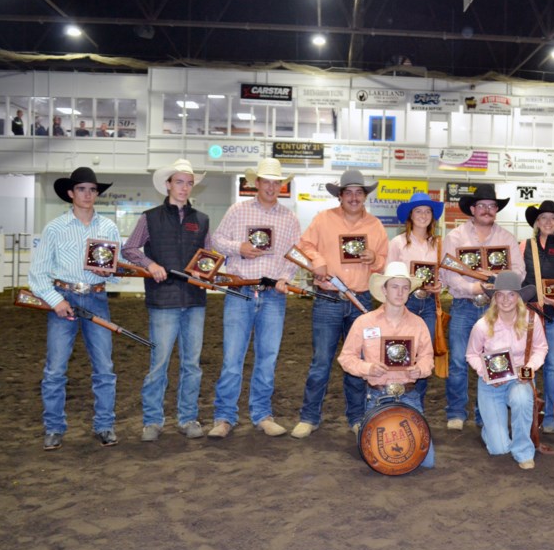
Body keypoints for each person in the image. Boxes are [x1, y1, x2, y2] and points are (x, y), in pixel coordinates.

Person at [28, 167, 121, 450]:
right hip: (63, 298)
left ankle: (104, 425)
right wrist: (56, 301)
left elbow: (111, 269)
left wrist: (109, 274)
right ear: (70, 193)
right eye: (82, 189)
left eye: (92, 190)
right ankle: (54, 428)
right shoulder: (54, 228)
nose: (88, 194)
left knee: (104, 367)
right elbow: (37, 273)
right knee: (55, 369)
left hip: (96, 297)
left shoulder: (109, 228)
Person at [207, 158, 301, 439]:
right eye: (266, 181)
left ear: (280, 185)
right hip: (240, 291)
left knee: (267, 358)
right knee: (232, 358)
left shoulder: (290, 219)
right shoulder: (237, 211)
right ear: (256, 183)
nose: (271, 187)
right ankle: (224, 417)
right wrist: (240, 248)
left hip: (273, 295)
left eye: (276, 182)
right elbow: (217, 240)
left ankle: (262, 414)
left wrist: (284, 278)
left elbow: (293, 256)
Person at [291, 170, 389, 439]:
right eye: (349, 192)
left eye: (360, 192)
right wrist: (317, 261)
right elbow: (304, 245)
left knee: (358, 363)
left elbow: (384, 258)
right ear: (341, 196)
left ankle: (357, 417)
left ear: (365, 196)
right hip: (328, 299)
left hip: (362, 300)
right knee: (321, 361)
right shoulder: (323, 220)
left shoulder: (376, 226)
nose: (354, 197)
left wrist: (374, 259)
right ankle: (309, 417)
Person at [122, 159, 210, 441]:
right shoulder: (150, 218)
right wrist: (149, 264)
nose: (184, 187)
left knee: (192, 364)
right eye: (179, 181)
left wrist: (207, 272)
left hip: (194, 300)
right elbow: (130, 248)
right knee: (159, 362)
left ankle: (187, 418)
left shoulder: (202, 220)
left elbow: (208, 258)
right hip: (163, 300)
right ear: (168, 184)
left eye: (189, 182)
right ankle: (152, 420)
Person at [441, 184, 525, 431]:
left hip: (495, 308)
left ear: (496, 210)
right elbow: (447, 273)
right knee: (458, 360)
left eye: (492, 206)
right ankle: (456, 411)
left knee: (492, 359)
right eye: (482, 206)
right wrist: (473, 288)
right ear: (473, 209)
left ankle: (483, 412)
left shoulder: (507, 238)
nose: (487, 210)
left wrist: (501, 282)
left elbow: (520, 271)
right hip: (464, 305)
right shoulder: (455, 237)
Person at [337, 262, 435, 469]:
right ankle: (362, 427)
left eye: (405, 287)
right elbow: (346, 358)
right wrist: (368, 368)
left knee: (426, 461)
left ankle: (363, 431)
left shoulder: (418, 324)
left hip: (408, 395)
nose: (400, 292)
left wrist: (421, 369)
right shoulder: (364, 322)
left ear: (409, 291)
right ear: (384, 290)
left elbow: (427, 357)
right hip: (377, 395)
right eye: (394, 287)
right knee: (379, 459)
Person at [465, 271, 547, 470]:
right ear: (494, 299)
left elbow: (541, 348)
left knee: (521, 399)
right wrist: (484, 372)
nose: (505, 300)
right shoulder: (482, 325)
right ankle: (491, 431)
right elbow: (472, 355)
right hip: (490, 384)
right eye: (500, 295)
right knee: (499, 448)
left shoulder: (531, 320)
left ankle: (524, 451)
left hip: (520, 379)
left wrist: (528, 370)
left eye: (511, 294)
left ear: (519, 297)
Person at [518, 200, 554, 434]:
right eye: (543, 218)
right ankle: (528, 410)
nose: (548, 222)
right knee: (526, 362)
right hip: (528, 315)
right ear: (537, 222)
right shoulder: (524, 246)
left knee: (552, 365)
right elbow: (519, 276)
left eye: (552, 218)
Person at [387, 192, 445, 405]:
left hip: (429, 303)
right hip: (405, 303)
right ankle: (396, 398)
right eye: (418, 211)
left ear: (432, 216)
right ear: (410, 215)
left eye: (427, 211)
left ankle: (416, 403)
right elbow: (389, 274)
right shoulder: (398, 243)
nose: (423, 215)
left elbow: (444, 273)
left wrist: (441, 286)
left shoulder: (439, 244)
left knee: (423, 355)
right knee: (402, 350)